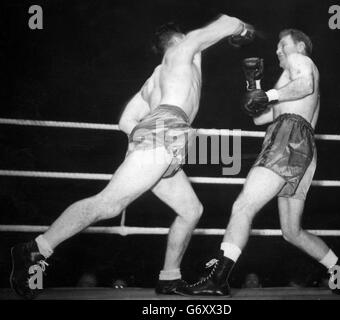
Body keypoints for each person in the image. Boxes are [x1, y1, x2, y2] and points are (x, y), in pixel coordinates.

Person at [9, 14, 255, 299]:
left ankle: (170, 277)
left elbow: (126, 120)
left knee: (191, 210)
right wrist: (242, 30)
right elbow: (227, 21)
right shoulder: (182, 49)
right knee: (110, 203)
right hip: (165, 132)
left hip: (165, 135)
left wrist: (142, 138)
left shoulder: (154, 80)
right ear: (179, 40)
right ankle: (34, 249)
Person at [176, 29, 340, 296]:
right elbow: (260, 118)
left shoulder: (301, 61)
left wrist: (270, 94)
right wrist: (254, 86)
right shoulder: (288, 81)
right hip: (302, 149)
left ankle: (217, 280)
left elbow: (305, 85)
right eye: (276, 47)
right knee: (291, 231)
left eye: (283, 45)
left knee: (243, 206)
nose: (278, 50)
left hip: (288, 139)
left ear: (299, 45)